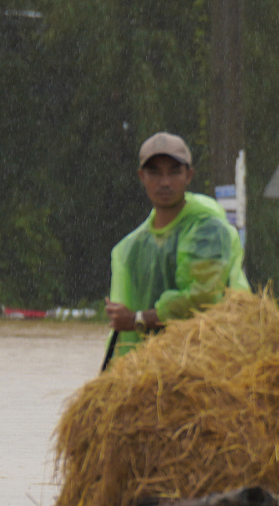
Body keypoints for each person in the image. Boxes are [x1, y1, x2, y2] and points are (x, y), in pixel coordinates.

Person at [104, 132, 249, 357]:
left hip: (208, 360)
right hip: (150, 365)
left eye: (174, 172)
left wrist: (137, 320)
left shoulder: (208, 230)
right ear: (142, 176)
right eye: (155, 172)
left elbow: (201, 301)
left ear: (189, 175)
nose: (164, 182)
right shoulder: (131, 248)